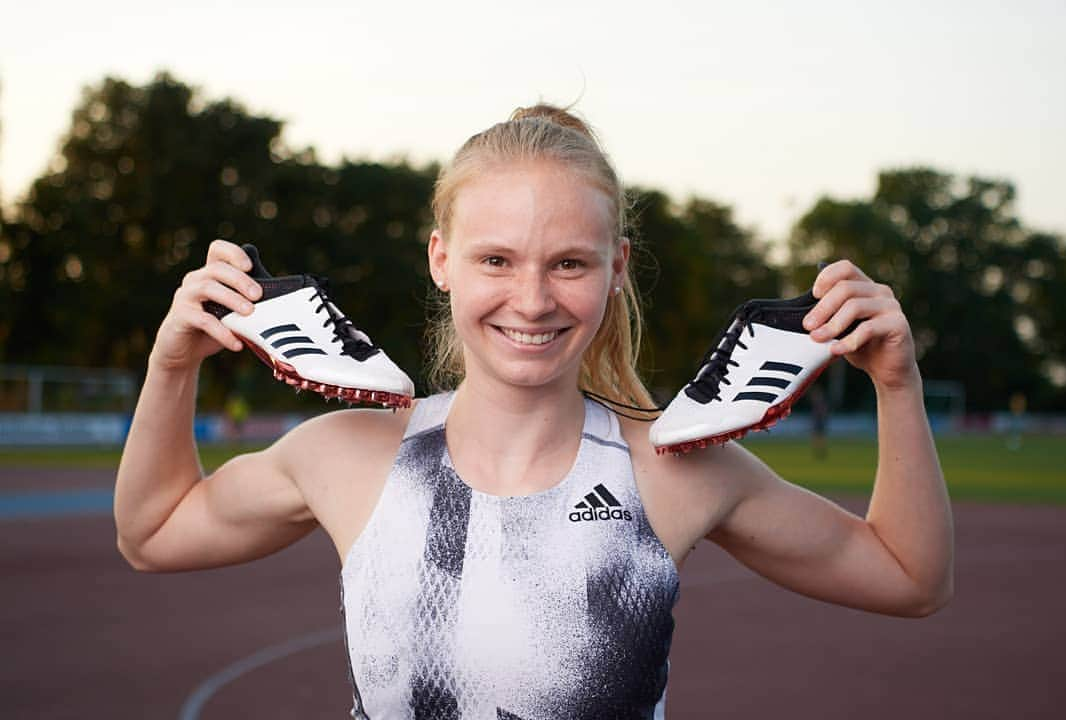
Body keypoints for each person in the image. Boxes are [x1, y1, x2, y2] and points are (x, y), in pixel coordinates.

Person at [114, 105, 954, 719]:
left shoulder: (672, 469)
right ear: (442, 260)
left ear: (618, 267)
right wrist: (172, 361)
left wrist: (898, 385)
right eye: (496, 259)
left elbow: (909, 579)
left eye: (570, 264)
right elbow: (152, 534)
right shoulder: (347, 455)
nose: (532, 298)